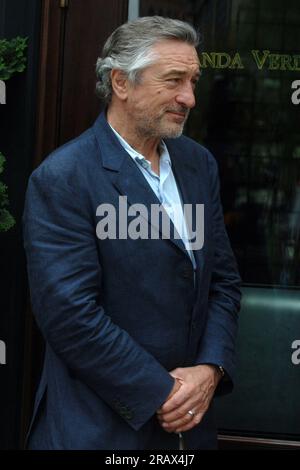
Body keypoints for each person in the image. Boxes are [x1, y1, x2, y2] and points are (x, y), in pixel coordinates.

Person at [23, 16, 241, 450]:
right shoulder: (64, 178)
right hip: (98, 430)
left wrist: (210, 369)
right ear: (121, 83)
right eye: (174, 80)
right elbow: (70, 317)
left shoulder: (198, 165)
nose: (190, 97)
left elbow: (223, 283)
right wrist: (162, 393)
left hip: (190, 431)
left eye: (194, 81)